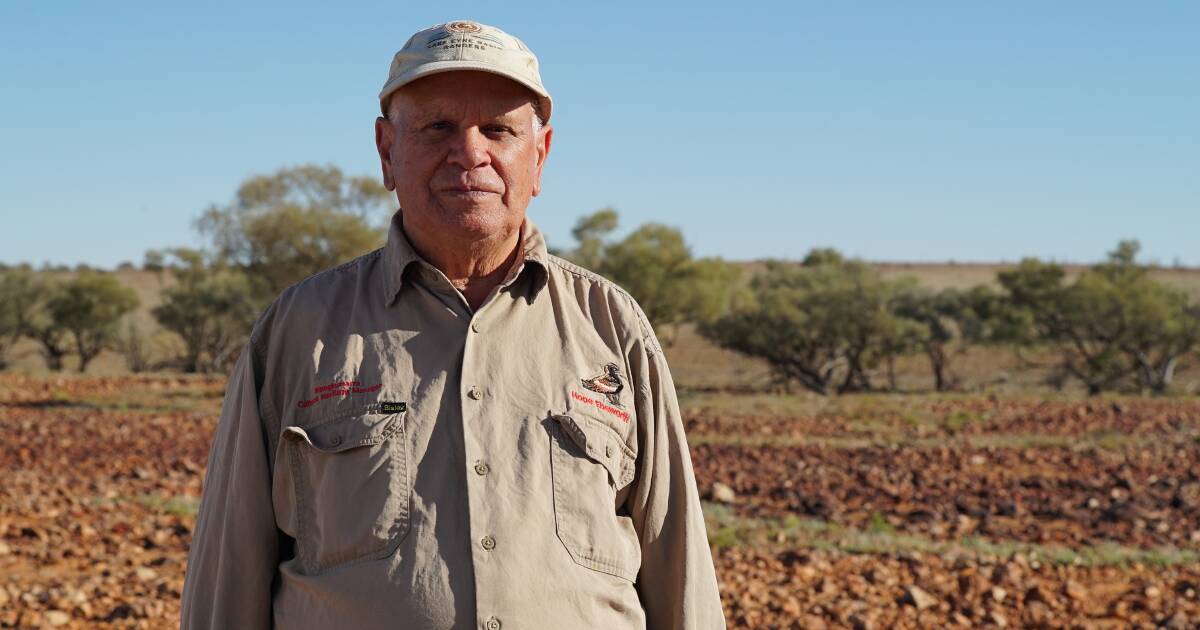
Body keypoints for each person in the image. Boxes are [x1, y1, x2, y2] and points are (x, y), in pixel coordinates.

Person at [180, 19, 725, 630]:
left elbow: (680, 567)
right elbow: (228, 576)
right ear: (387, 152)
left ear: (539, 156)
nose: (470, 153)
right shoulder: (295, 331)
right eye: (438, 126)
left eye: (499, 129)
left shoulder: (613, 327)